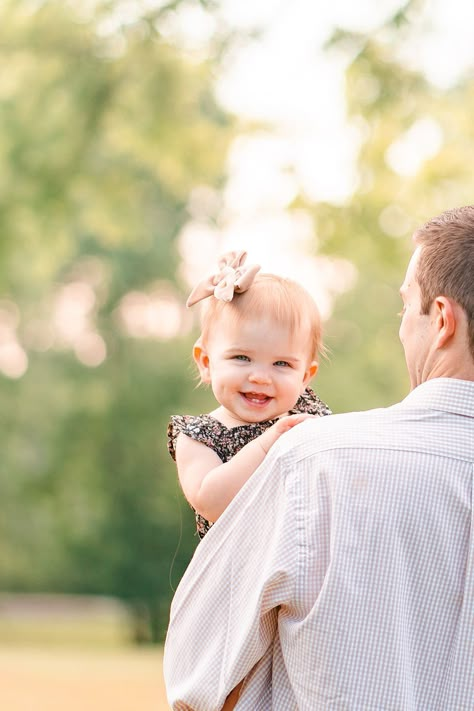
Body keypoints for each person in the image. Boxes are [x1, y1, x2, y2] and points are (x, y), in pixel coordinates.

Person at [164, 206, 474, 710]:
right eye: (241, 357)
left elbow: (198, 681)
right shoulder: (281, 442)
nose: (260, 376)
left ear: (440, 321)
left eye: (405, 309)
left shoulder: (310, 459)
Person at [167, 250, 331, 538]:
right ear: (206, 362)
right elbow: (211, 502)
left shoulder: (308, 417)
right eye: (242, 358)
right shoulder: (198, 436)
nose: (260, 377)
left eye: (282, 364)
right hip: (238, 572)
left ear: (305, 377)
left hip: (304, 564)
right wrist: (269, 445)